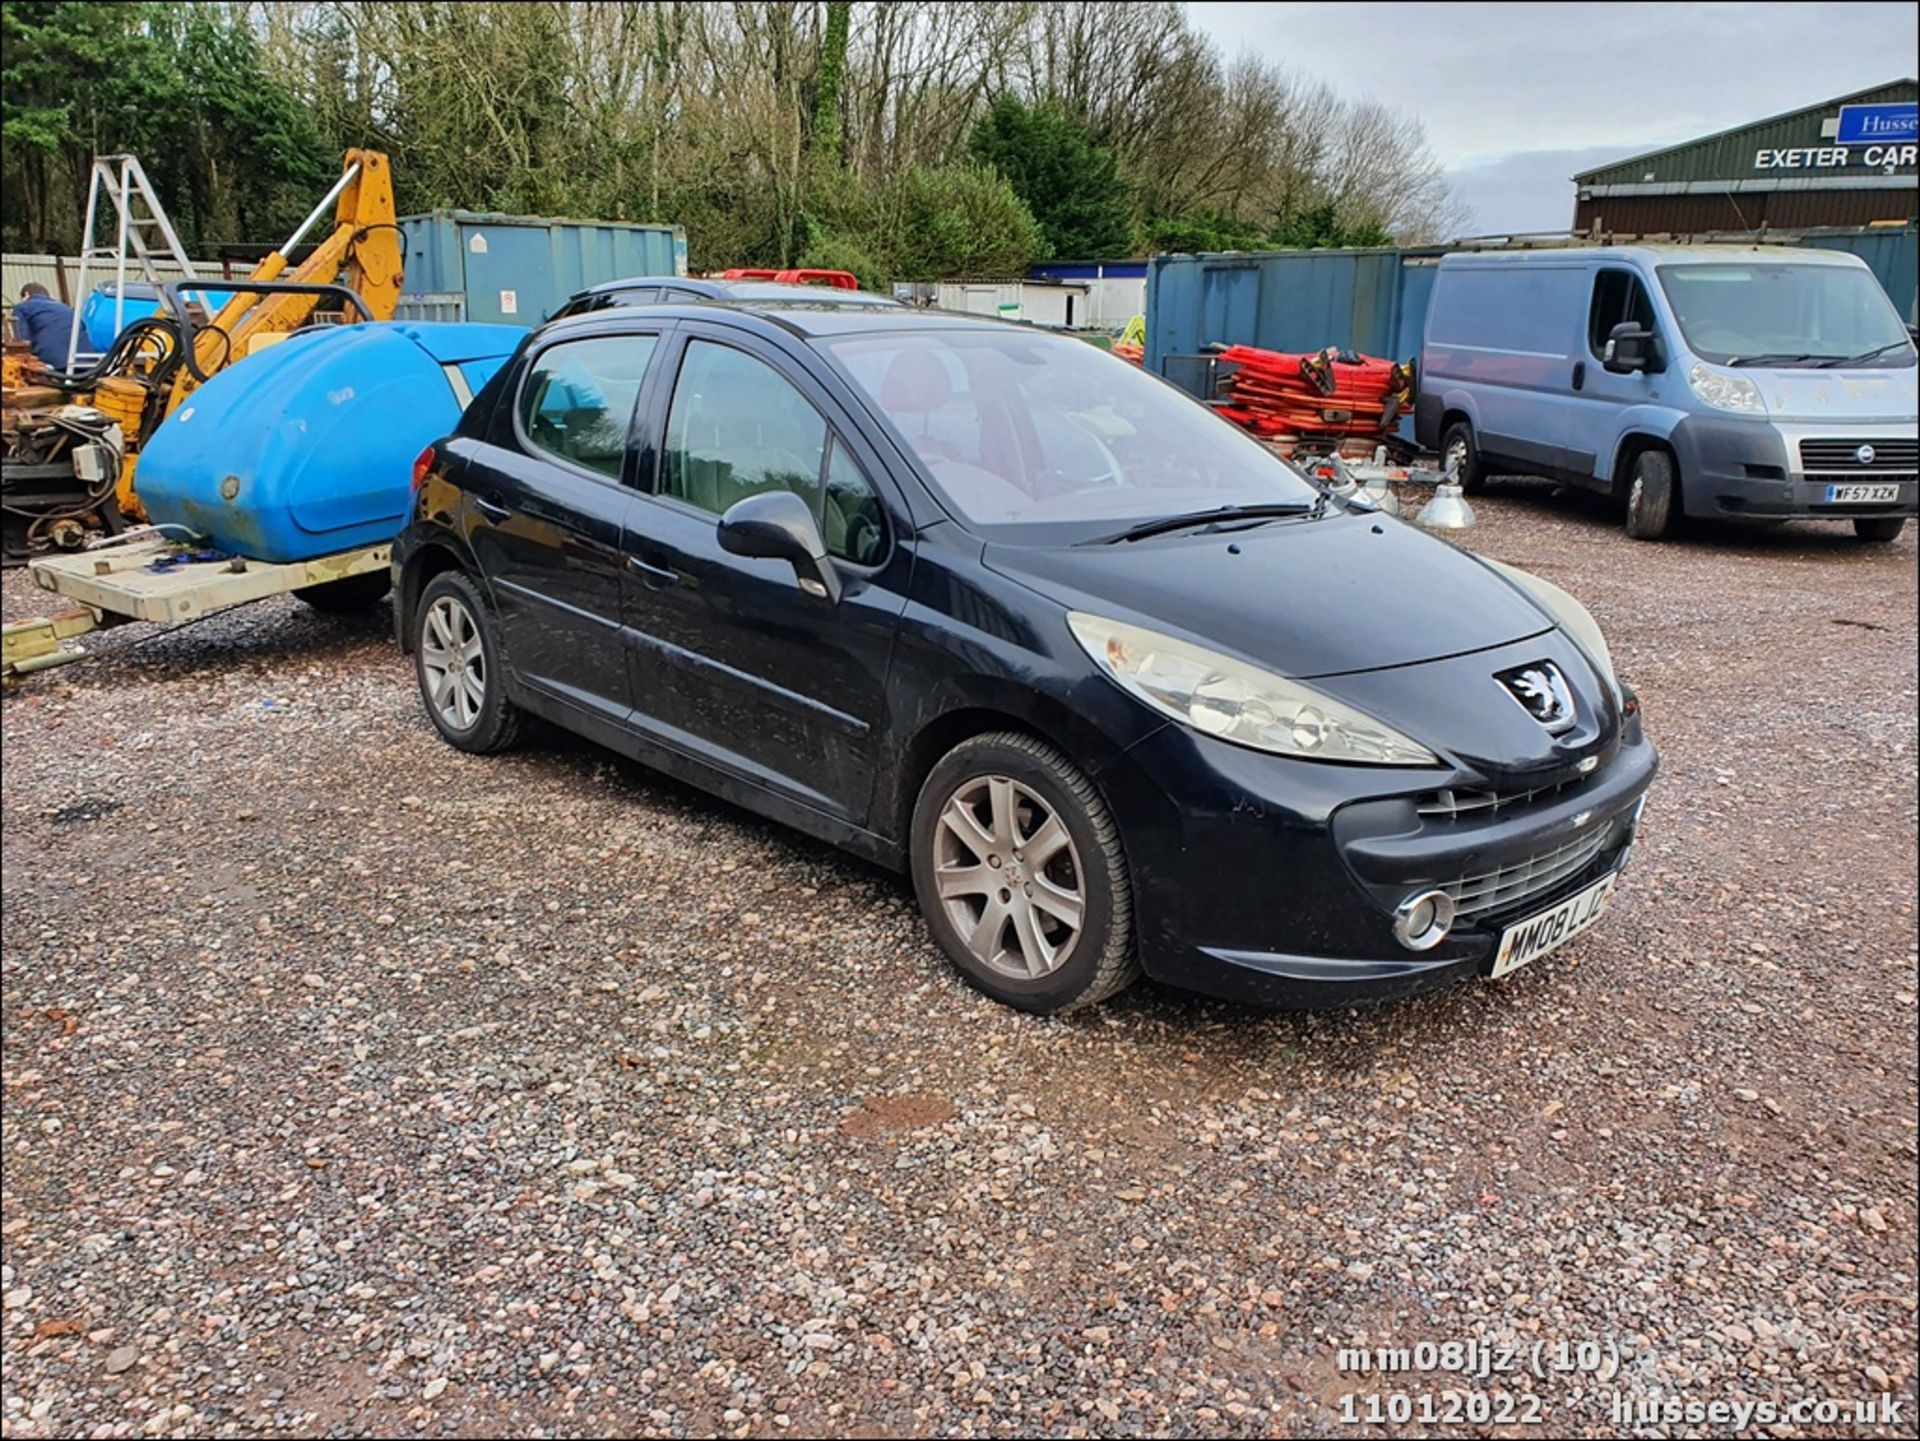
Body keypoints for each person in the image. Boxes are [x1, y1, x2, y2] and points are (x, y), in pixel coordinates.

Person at [12, 283, 79, 369]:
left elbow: (22, 339)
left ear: (26, 294)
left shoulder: (22, 307)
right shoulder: (66, 308)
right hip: (86, 362)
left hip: (55, 364)